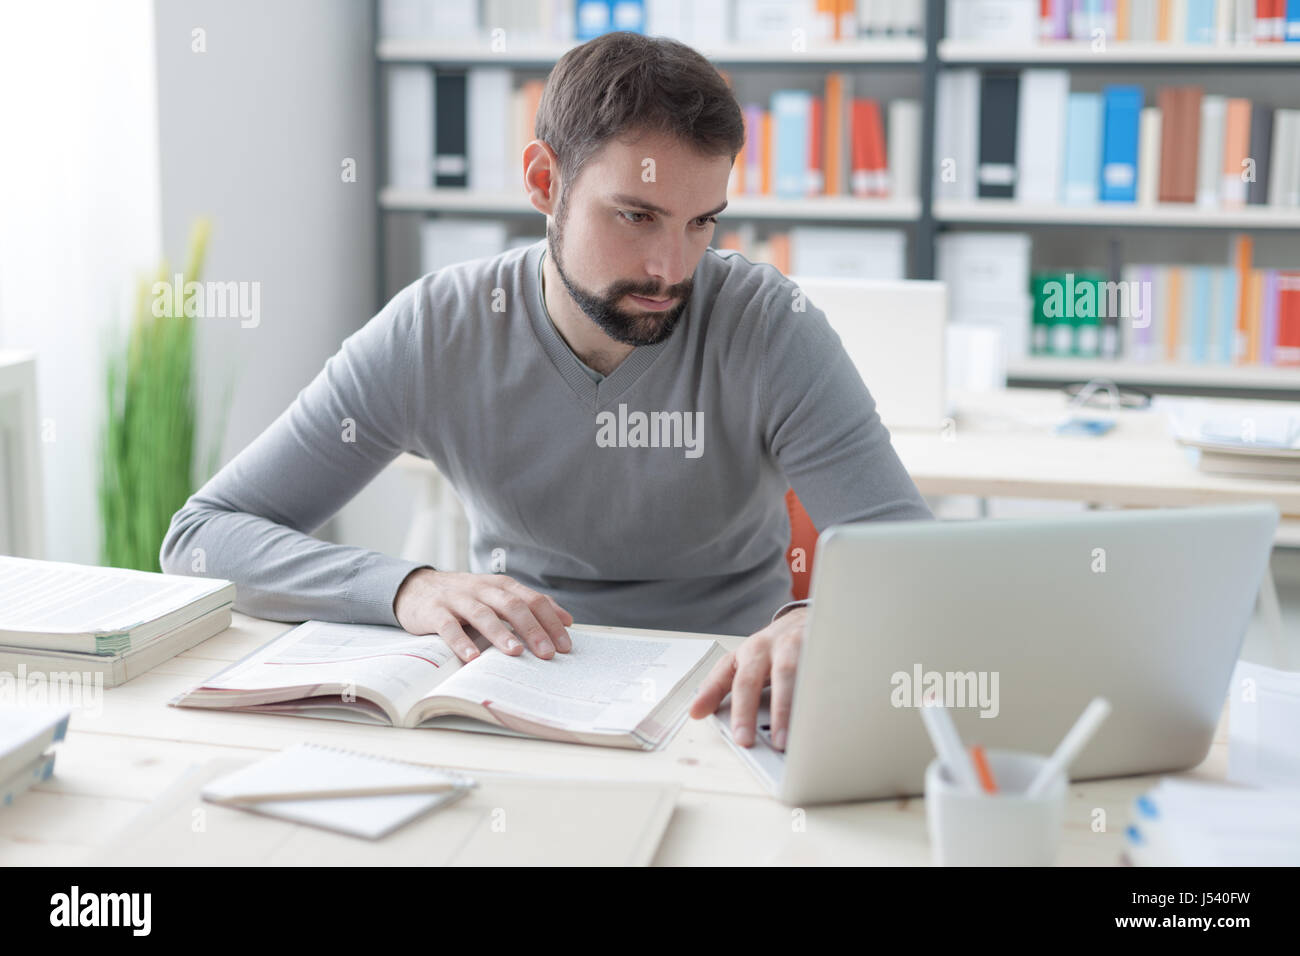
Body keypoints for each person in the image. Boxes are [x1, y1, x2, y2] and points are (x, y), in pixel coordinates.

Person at [159, 31, 933, 752]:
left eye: (702, 223)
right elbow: (202, 537)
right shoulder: (440, 328)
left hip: (722, 707)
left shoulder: (769, 326)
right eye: (636, 215)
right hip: (511, 701)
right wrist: (406, 587)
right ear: (543, 181)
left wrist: (816, 619)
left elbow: (911, 562)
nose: (671, 267)